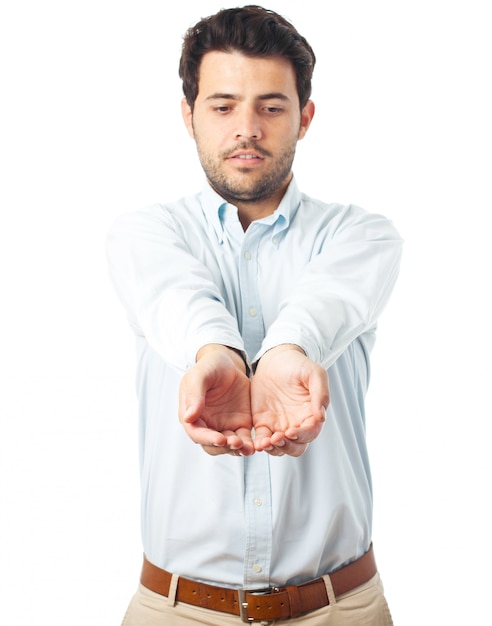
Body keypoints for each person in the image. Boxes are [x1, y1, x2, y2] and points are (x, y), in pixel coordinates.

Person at [106, 5, 403, 625]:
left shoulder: (361, 236)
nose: (247, 128)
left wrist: (287, 352)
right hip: (175, 611)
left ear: (305, 117)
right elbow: (177, 299)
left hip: (340, 609)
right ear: (188, 116)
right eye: (222, 106)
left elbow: (326, 304)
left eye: (271, 106)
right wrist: (216, 354)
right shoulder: (147, 233)